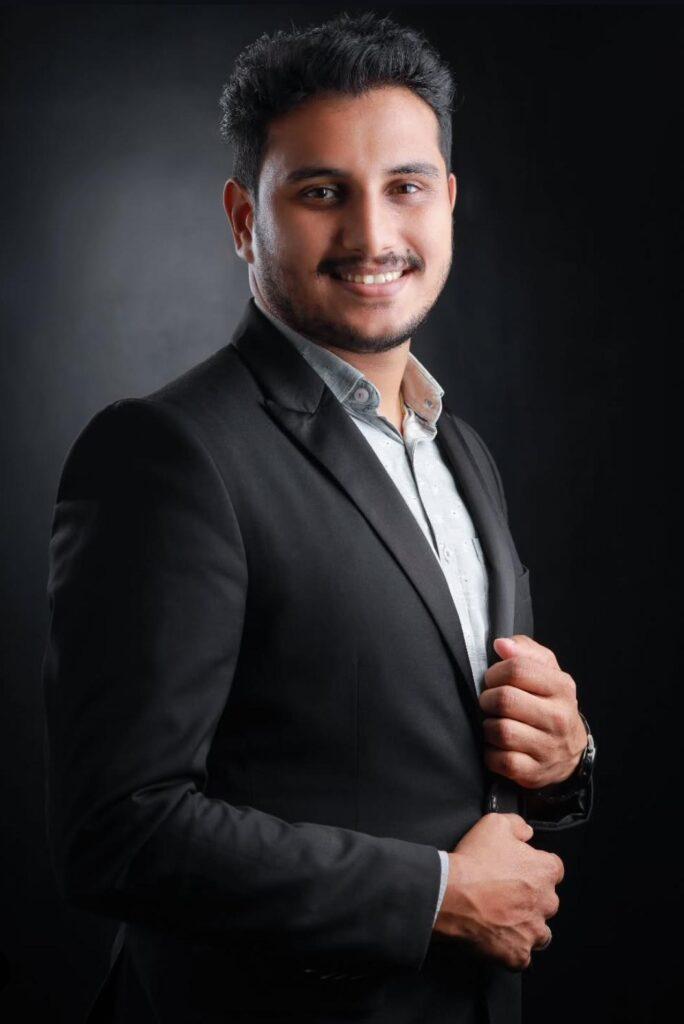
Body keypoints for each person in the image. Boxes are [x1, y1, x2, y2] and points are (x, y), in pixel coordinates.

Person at [42, 11, 595, 1024]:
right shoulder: (164, 455)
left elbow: (433, 751)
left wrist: (561, 760)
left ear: (448, 202)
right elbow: (118, 830)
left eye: (404, 187)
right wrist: (433, 897)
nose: (373, 236)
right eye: (321, 192)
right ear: (244, 218)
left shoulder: (461, 452)